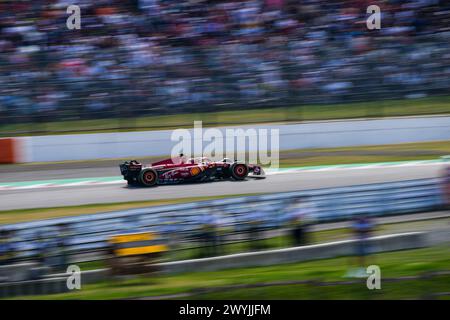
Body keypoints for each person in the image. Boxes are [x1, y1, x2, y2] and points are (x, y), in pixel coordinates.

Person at [346, 214, 376, 278]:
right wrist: (363, 230)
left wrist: (362, 230)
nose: (361, 218)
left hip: (364, 242)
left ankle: (363, 270)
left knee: (367, 257)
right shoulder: (358, 224)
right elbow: (355, 231)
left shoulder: (365, 224)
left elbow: (369, 231)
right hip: (359, 242)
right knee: (360, 257)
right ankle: (358, 271)